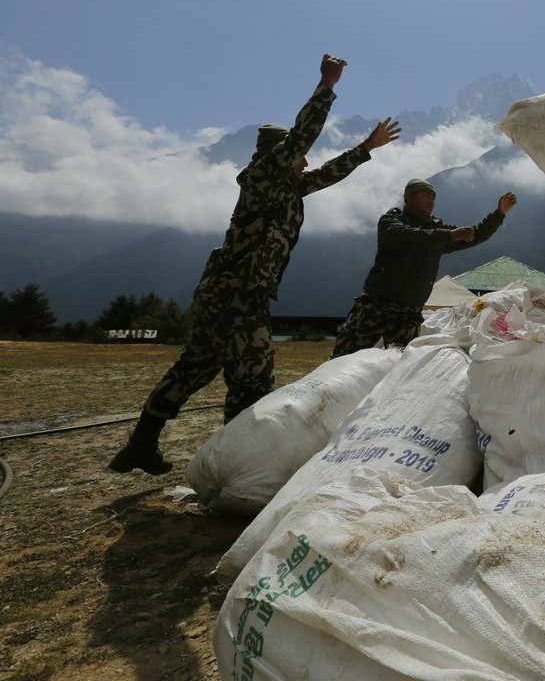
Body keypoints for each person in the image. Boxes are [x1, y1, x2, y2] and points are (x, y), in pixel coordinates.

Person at [109, 53, 404, 475]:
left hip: (222, 295)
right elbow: (300, 139)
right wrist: (326, 86)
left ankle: (140, 446)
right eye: (296, 156)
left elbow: (326, 173)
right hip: (237, 296)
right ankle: (239, 466)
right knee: (253, 380)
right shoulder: (264, 178)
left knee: (190, 370)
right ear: (278, 156)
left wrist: (365, 149)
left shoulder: (285, 189)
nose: (304, 162)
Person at [330, 180, 518, 358]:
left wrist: (499, 213)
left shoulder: (438, 231)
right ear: (409, 197)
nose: (431, 200)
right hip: (376, 308)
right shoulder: (391, 221)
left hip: (409, 315)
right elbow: (410, 237)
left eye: (433, 197)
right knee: (343, 358)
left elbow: (474, 235)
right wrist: (448, 235)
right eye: (425, 195)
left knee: (400, 369)